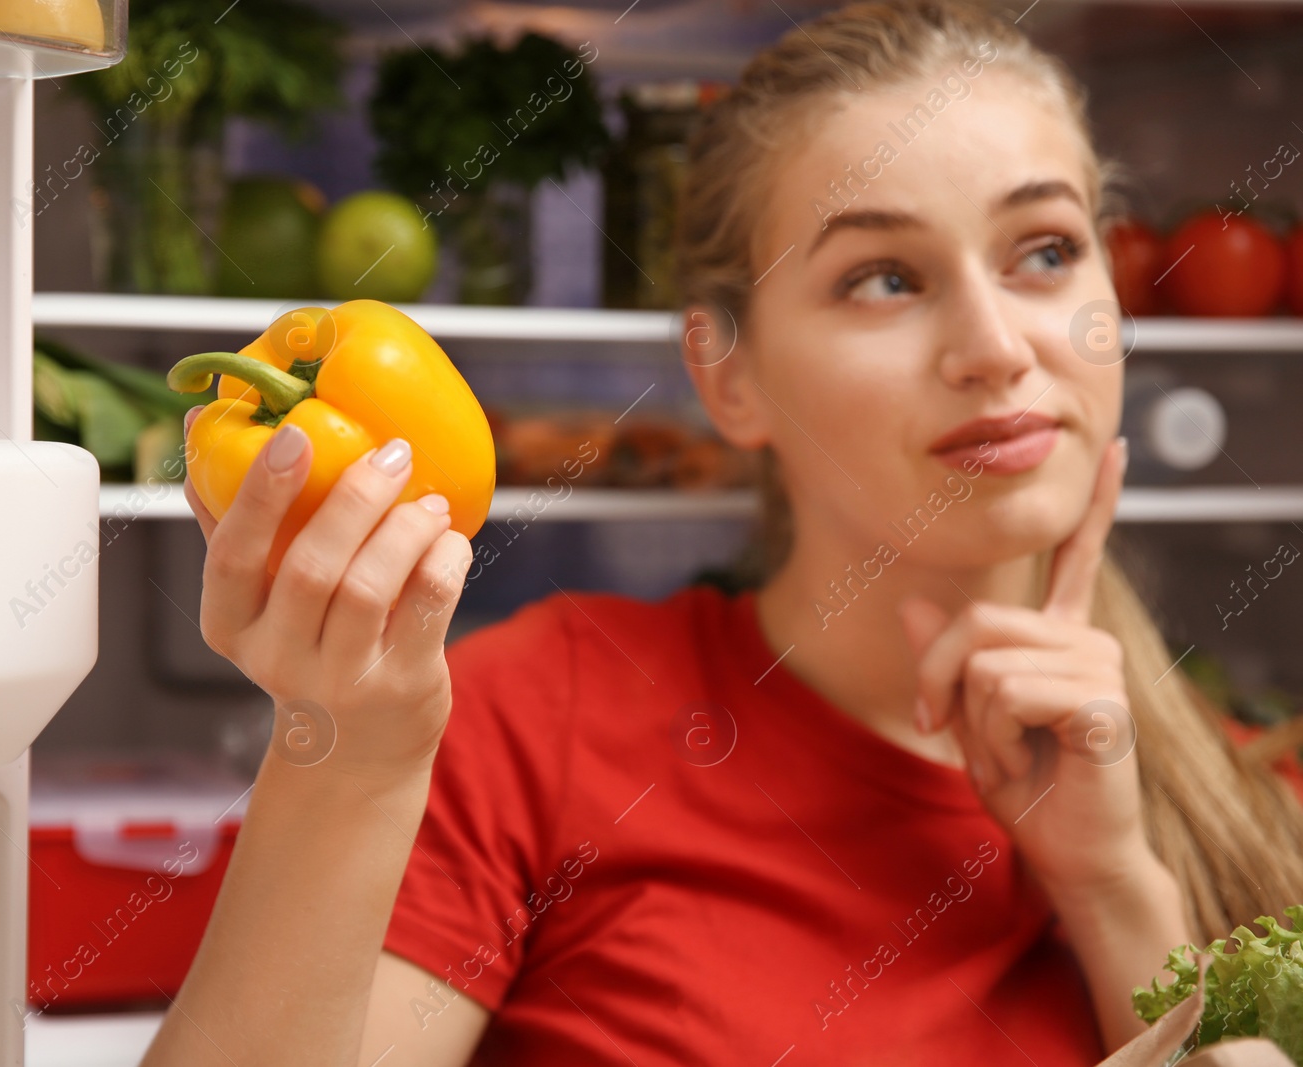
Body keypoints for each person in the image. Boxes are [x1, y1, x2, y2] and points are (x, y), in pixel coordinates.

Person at [142, 2, 1303, 1064]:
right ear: (725, 373)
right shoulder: (523, 722)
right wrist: (343, 761)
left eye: (1045, 252)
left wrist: (1114, 888)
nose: (996, 346)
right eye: (883, 278)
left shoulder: (1254, 789)